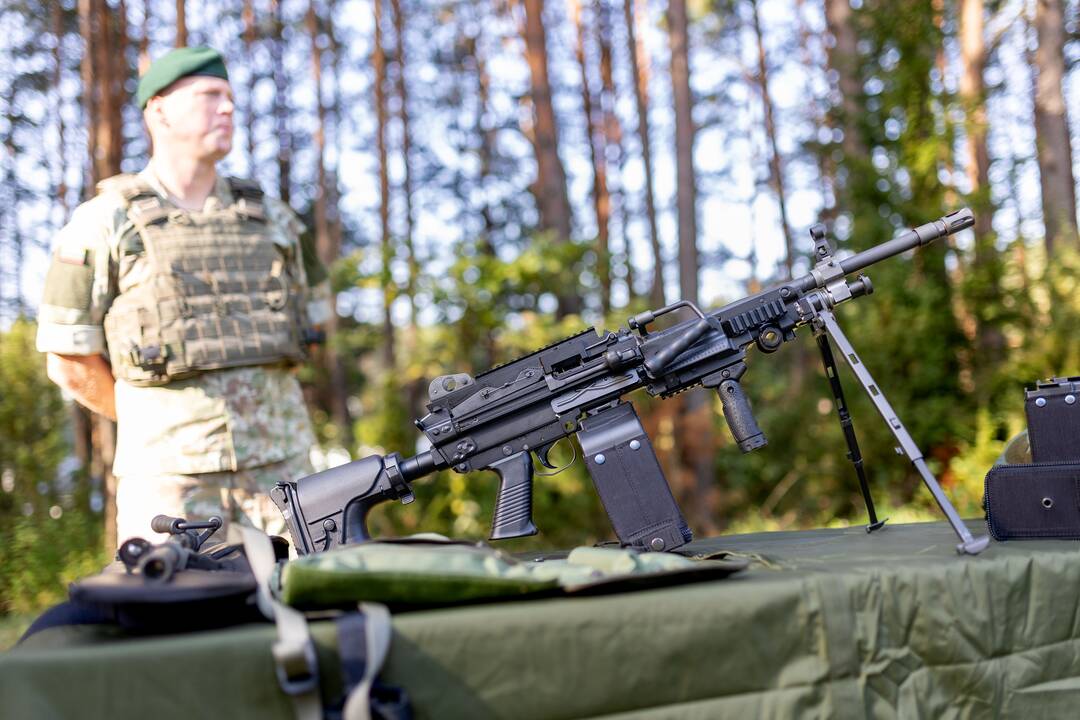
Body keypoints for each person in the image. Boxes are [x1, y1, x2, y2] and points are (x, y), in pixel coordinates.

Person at [36, 46, 331, 546]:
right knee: (176, 617)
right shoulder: (105, 221)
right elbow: (69, 359)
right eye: (210, 95)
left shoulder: (276, 219)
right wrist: (161, 430)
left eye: (232, 97)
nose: (229, 108)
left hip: (284, 476)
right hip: (170, 487)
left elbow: (316, 328)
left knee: (311, 610)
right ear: (160, 111)